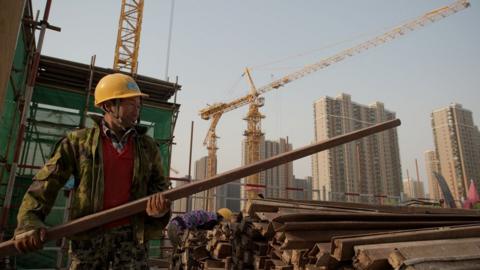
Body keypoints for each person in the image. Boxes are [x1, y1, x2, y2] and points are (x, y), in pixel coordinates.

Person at [13, 73, 172, 269]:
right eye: (130, 104)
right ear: (108, 106)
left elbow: (160, 189)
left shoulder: (148, 147)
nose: (136, 111)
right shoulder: (78, 142)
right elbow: (46, 183)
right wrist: (29, 221)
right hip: (87, 240)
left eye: (138, 106)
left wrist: (159, 210)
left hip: (132, 240)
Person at [167, 208, 233, 248]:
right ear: (222, 218)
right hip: (179, 229)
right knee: (182, 251)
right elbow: (204, 235)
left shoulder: (208, 215)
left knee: (177, 252)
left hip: (173, 224)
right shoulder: (212, 221)